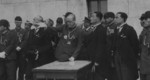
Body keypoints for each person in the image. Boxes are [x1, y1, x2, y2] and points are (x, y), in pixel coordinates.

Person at [82, 11, 109, 80]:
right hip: (89, 59)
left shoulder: (101, 29)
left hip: (97, 61)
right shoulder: (90, 29)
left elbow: (101, 47)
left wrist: (96, 62)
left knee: (97, 77)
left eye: (92, 16)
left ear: (98, 18)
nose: (90, 18)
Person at [112, 12, 139, 80]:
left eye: (117, 17)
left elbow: (135, 45)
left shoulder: (129, 29)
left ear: (123, 19)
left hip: (126, 58)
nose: (115, 19)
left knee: (126, 76)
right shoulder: (116, 29)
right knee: (119, 76)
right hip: (117, 57)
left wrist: (131, 57)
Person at [140, 11, 150, 80]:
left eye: (146, 19)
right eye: (142, 19)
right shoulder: (144, 32)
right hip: (144, 64)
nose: (143, 21)